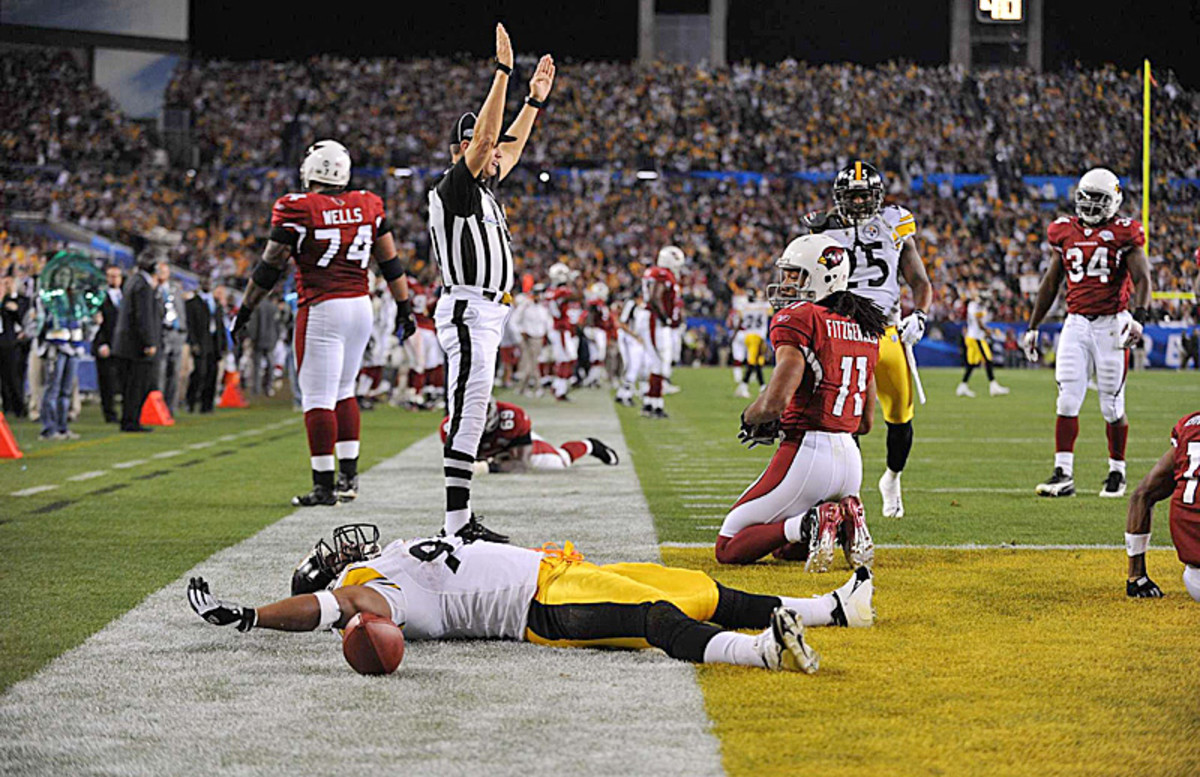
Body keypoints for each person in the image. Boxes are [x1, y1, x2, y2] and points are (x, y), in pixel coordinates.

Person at [187, 523, 878, 675]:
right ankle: (759, 652)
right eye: (330, 557)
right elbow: (331, 610)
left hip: (554, 569)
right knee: (653, 617)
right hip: (538, 608)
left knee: (692, 586)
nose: (342, 546)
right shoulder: (373, 590)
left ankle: (828, 608)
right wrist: (250, 614)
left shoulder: (391, 556)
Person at [230, 139, 416, 507]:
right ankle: (348, 478)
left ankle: (324, 486)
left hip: (323, 306)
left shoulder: (296, 208)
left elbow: (270, 266)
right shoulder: (368, 203)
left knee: (318, 396)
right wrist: (405, 307)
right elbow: (391, 263)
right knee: (345, 390)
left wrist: (246, 308)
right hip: (361, 306)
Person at [426, 24, 555, 542]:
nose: (498, 153)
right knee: (469, 407)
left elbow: (509, 144)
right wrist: (502, 73)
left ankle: (460, 520)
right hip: (467, 310)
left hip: (488, 313)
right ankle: (457, 523)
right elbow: (486, 141)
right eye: (482, 147)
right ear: (462, 150)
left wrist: (533, 102)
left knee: (474, 407)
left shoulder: (485, 190)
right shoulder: (455, 187)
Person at [715, 234, 886, 570]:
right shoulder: (865, 326)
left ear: (822, 276)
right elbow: (866, 422)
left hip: (807, 454)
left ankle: (813, 520)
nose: (787, 282)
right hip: (850, 463)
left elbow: (775, 402)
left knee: (728, 547)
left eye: (796, 275)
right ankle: (844, 513)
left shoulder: (802, 317)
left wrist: (750, 417)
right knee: (783, 548)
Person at [797, 161, 933, 520]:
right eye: (851, 196)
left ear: (878, 197)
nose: (858, 203)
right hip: (843, 331)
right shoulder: (821, 228)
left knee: (900, 416)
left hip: (887, 331)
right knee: (846, 420)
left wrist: (919, 315)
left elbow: (920, 281)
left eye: (864, 196)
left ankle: (892, 478)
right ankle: (849, 497)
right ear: (839, 198)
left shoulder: (894, 223)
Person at [1021, 167, 1152, 498]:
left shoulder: (1125, 233)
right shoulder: (1064, 231)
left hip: (1113, 323)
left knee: (1111, 405)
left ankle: (1117, 471)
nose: (1091, 205)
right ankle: (1063, 473)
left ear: (1114, 201)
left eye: (1099, 199)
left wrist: (1139, 318)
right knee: (1066, 399)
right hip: (1076, 323)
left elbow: (1143, 278)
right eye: (1086, 197)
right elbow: (1052, 282)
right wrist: (1033, 326)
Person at [1122, 411, 1200, 602]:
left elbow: (1142, 495)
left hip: (1195, 581)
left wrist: (1136, 577)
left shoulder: (1191, 427)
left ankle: (1137, 577)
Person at [438, 397, 619, 473]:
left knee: (560, 462)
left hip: (514, 447)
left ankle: (590, 445)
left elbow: (521, 464)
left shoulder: (512, 417)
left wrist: (489, 468)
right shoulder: (449, 428)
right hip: (492, 453)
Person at [112, 250, 162, 433]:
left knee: (130, 387)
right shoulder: (143, 286)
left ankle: (129, 420)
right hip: (136, 346)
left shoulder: (133, 281)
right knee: (139, 385)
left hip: (126, 344)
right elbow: (144, 317)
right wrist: (149, 342)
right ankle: (131, 421)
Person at [638, 246, 684, 418]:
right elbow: (655, 297)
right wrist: (666, 318)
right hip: (654, 320)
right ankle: (655, 404)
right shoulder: (663, 274)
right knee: (659, 362)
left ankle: (651, 403)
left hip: (651, 318)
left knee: (657, 363)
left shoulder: (656, 272)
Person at [956, 291, 1009, 397]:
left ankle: (962, 386)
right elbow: (980, 324)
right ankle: (993, 386)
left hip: (973, 337)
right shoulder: (977, 307)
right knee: (988, 360)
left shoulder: (972, 305)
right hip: (976, 338)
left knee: (972, 364)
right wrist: (991, 332)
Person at [185, 278, 225, 413]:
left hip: (214, 342)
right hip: (201, 341)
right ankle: (190, 401)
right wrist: (193, 342)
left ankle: (207, 405)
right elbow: (189, 325)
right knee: (199, 372)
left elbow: (220, 325)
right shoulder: (192, 303)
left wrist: (223, 344)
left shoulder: (216, 303)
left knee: (212, 374)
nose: (208, 284)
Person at [154, 261, 189, 414]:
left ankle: (171, 407)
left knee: (175, 373)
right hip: (162, 334)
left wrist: (183, 331)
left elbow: (181, 311)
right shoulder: (153, 290)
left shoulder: (175, 289)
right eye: (160, 271)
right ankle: (159, 407)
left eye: (165, 271)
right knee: (160, 373)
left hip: (177, 333)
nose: (162, 274)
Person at [544, 262, 581, 401]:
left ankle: (558, 385)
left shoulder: (551, 291)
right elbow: (576, 295)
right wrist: (572, 281)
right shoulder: (561, 291)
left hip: (559, 329)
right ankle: (560, 389)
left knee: (566, 358)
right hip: (560, 329)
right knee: (567, 359)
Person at [91, 264, 124, 423]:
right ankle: (109, 414)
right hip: (106, 343)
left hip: (123, 345)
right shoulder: (98, 297)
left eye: (117, 276)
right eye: (111, 276)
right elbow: (96, 323)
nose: (114, 279)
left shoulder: (124, 296)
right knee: (107, 382)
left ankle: (126, 412)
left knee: (123, 380)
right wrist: (101, 343)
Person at [729, 289, 772, 398]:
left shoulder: (744, 307)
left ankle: (762, 387)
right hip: (757, 336)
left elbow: (740, 315)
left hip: (748, 335)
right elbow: (770, 311)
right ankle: (743, 386)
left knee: (758, 362)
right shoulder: (763, 306)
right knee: (752, 362)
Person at [0, 272, 32, 418]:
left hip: (10, 344)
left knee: (13, 376)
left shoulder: (14, 301)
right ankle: (7, 407)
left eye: (7, 284)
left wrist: (13, 304)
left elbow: (23, 319)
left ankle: (19, 407)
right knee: (3, 380)